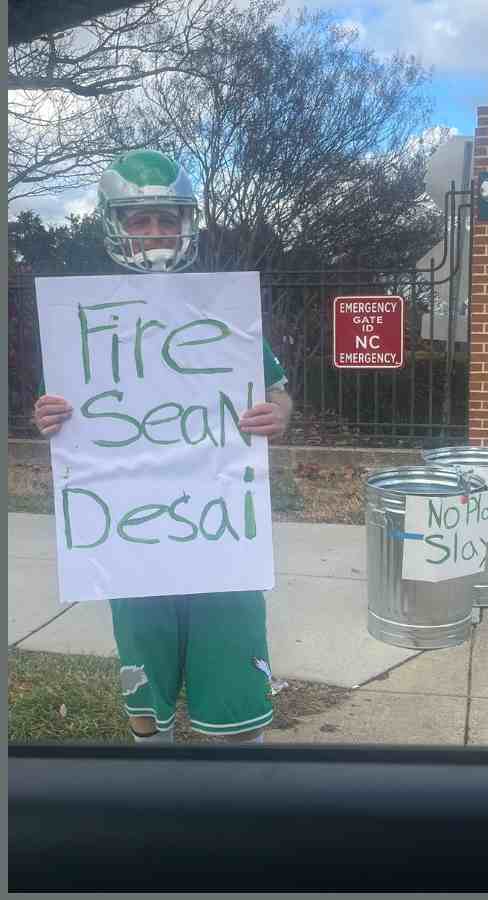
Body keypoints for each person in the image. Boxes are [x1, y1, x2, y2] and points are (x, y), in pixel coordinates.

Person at [32, 149, 293, 744]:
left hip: (221, 535)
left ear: (186, 223)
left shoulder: (224, 307)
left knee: (234, 703)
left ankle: (233, 811)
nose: (155, 232)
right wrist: (46, 417)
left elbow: (278, 393)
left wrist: (275, 414)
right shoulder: (83, 316)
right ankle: (156, 795)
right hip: (133, 539)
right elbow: (65, 412)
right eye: (140, 219)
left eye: (167, 219)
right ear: (115, 225)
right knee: (145, 696)